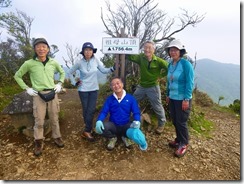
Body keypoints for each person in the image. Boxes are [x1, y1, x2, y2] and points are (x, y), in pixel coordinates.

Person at [14, 38, 65, 156]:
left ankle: (57, 137)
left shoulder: (53, 62)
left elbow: (62, 72)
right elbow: (17, 76)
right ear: (35, 49)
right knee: (39, 120)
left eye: (43, 46)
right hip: (38, 95)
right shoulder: (29, 63)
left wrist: (59, 83)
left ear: (48, 49)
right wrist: (27, 88)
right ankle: (38, 141)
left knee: (54, 118)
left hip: (52, 93)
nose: (41, 49)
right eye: (38, 47)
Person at [68, 42, 115, 142]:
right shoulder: (79, 63)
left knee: (91, 110)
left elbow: (103, 70)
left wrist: (112, 69)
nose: (88, 52)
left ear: (92, 51)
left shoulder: (96, 60)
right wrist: (74, 83)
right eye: (86, 50)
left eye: (90, 50)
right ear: (83, 52)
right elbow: (69, 72)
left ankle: (87, 129)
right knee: (86, 110)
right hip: (83, 89)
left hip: (94, 89)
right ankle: (88, 130)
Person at [127, 40, 168, 134]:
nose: (147, 50)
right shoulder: (141, 57)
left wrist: (161, 76)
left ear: (154, 49)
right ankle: (135, 118)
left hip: (153, 87)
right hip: (142, 86)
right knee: (133, 101)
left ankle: (161, 124)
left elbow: (169, 68)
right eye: (145, 47)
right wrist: (129, 44)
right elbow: (130, 57)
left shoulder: (158, 61)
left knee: (157, 106)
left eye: (149, 48)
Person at [95, 77, 147, 151]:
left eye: (118, 83)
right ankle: (112, 137)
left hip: (126, 125)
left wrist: (137, 121)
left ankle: (125, 137)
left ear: (122, 84)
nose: (116, 86)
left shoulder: (130, 98)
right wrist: (99, 120)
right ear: (111, 87)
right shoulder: (110, 99)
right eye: (113, 85)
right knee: (102, 127)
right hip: (113, 125)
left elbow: (136, 112)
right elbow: (104, 112)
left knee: (134, 129)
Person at [165, 39, 194, 157]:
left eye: (175, 50)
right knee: (175, 120)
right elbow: (168, 81)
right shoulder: (170, 64)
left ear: (180, 51)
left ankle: (184, 143)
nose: (173, 52)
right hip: (172, 98)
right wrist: (167, 94)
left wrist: (187, 99)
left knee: (181, 122)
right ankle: (178, 139)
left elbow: (189, 82)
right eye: (171, 50)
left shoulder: (185, 64)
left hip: (182, 98)